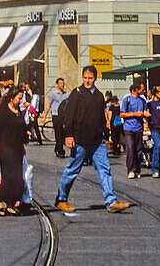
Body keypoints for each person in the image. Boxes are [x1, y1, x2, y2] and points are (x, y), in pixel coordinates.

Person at [54, 64, 130, 215]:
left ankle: (111, 202)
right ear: (82, 78)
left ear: (95, 78)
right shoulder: (76, 93)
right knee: (72, 170)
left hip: (97, 141)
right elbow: (69, 116)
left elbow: (102, 118)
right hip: (80, 140)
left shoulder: (99, 95)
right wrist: (68, 135)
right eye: (85, 78)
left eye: (90, 78)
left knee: (104, 170)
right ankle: (61, 200)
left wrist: (106, 136)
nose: (87, 81)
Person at [0, 86, 29, 216]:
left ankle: (10, 204)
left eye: (22, 98)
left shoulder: (19, 111)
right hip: (5, 147)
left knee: (18, 178)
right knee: (9, 177)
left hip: (17, 148)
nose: (21, 101)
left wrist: (23, 145)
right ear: (12, 98)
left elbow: (21, 129)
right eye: (19, 98)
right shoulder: (3, 112)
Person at [120, 81, 150, 177]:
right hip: (129, 127)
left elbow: (146, 111)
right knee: (130, 148)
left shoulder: (143, 100)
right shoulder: (127, 99)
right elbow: (122, 114)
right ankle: (131, 170)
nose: (144, 91)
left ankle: (137, 169)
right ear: (135, 90)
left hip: (139, 128)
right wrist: (134, 114)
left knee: (138, 149)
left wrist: (146, 114)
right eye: (142, 89)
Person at [42, 77, 68, 157]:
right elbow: (48, 105)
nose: (62, 85)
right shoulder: (53, 94)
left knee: (63, 134)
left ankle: (57, 148)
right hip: (56, 115)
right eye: (61, 83)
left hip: (63, 116)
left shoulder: (66, 94)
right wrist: (44, 116)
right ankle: (60, 151)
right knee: (58, 133)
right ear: (57, 85)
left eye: (63, 83)